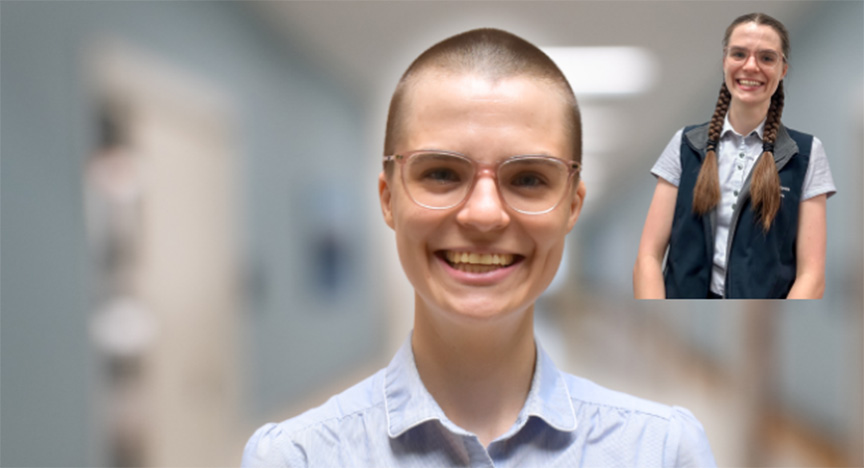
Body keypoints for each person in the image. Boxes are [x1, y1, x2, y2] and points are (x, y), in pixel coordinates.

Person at [243, 28, 716, 467]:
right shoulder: (295, 458)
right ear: (389, 200)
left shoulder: (661, 452)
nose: (484, 214)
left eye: (528, 178)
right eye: (442, 174)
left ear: (572, 207)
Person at [634, 12, 836, 300]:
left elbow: (811, 275)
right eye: (739, 54)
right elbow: (648, 257)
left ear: (783, 70)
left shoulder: (805, 154)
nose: (751, 66)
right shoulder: (686, 144)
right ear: (725, 61)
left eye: (767, 58)